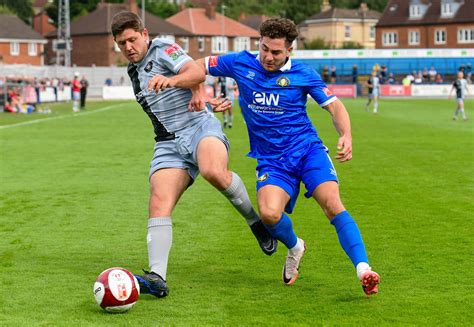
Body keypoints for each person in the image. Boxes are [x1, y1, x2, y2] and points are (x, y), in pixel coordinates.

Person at [191, 18, 380, 295]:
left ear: (289, 50)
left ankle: (364, 270)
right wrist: (201, 93)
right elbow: (196, 65)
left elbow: (335, 107)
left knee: (332, 204)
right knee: (268, 214)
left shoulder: (304, 74)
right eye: (264, 48)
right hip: (272, 160)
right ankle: (295, 247)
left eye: (276, 52)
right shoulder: (240, 62)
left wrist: (346, 135)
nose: (268, 56)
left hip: (307, 151)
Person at [110, 11, 277, 298]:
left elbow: (195, 70)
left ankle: (255, 222)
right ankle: (157, 277)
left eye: (132, 39)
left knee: (213, 171)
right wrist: (199, 93)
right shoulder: (133, 72)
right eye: (121, 43)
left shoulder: (163, 49)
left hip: (199, 126)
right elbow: (182, 92)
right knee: (158, 200)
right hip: (168, 143)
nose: (128, 47)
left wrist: (177, 82)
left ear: (145, 35)